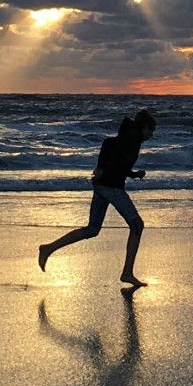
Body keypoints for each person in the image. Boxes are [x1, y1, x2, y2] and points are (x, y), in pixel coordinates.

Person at [39, 109, 156, 286]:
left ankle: (48, 248)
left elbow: (110, 147)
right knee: (137, 225)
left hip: (101, 185)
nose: (151, 134)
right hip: (112, 187)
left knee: (93, 229)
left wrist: (127, 173)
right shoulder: (132, 141)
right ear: (143, 127)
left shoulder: (127, 137)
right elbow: (118, 161)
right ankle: (127, 273)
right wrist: (127, 173)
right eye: (150, 130)